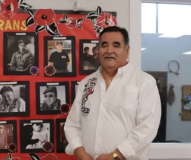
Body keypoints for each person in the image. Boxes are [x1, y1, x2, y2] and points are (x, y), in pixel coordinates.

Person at [64, 26, 161, 160]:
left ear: (127, 51)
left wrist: (116, 156)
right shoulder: (86, 83)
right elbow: (72, 124)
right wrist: (80, 153)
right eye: (104, 45)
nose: (109, 50)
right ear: (98, 51)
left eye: (116, 45)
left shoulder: (144, 82)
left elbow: (147, 127)